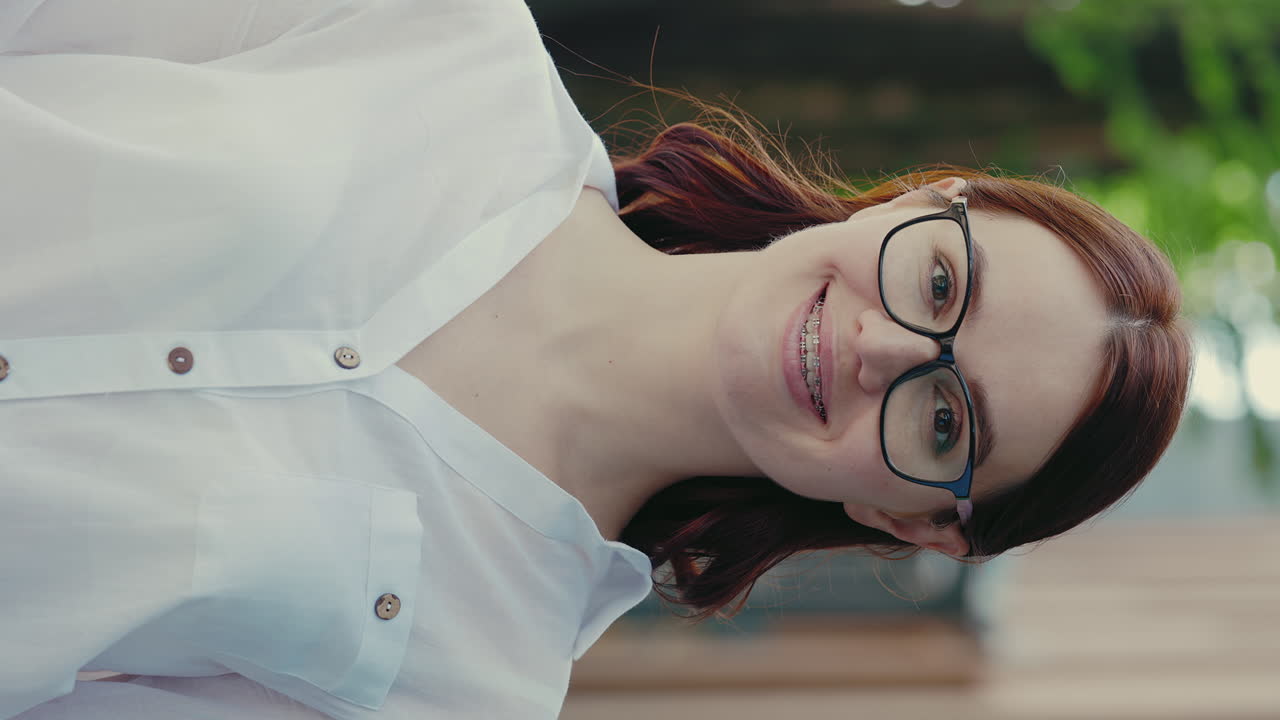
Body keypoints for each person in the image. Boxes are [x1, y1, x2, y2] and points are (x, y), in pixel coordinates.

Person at [0, 0, 1191, 718]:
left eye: (944, 424)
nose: (883, 348)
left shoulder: (473, 683)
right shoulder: (449, 45)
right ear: (930, 196)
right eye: (939, 283)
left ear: (916, 524)